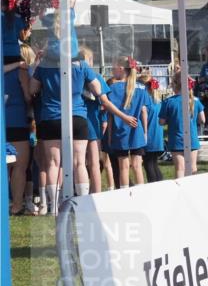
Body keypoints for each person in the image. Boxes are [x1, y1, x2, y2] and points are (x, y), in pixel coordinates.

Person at [31, 50, 136, 212]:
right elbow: (98, 90)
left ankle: (53, 207)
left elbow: (32, 89)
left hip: (50, 116)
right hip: (77, 115)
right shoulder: (82, 66)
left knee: (53, 163)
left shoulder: (44, 66)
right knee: (80, 162)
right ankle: (83, 205)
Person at [106, 57, 150, 189]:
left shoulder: (112, 88)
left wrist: (108, 134)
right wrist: (145, 132)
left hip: (120, 131)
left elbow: (109, 114)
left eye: (113, 67)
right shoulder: (142, 88)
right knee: (137, 166)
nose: (112, 70)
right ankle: (141, 195)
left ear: (121, 68)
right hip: (137, 130)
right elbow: (144, 111)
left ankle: (125, 195)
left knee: (123, 167)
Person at [160, 70, 205, 177]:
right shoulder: (195, 100)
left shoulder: (168, 101)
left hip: (176, 140)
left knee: (180, 168)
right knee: (193, 167)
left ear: (174, 84)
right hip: (192, 138)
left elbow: (161, 122)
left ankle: (180, 192)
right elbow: (202, 120)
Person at [4, 55, 31, 214]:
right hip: (18, 121)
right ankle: (17, 205)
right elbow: (28, 95)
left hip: (3, 122)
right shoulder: (21, 72)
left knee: (4, 166)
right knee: (19, 166)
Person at [78, 47, 105, 194]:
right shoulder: (96, 77)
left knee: (79, 162)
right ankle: (96, 193)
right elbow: (104, 100)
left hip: (77, 122)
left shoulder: (72, 76)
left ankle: (78, 192)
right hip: (92, 124)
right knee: (94, 162)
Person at [139, 72, 165, 183]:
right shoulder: (158, 101)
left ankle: (153, 187)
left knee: (148, 165)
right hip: (158, 137)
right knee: (154, 164)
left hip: (148, 137)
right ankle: (160, 185)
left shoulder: (145, 102)